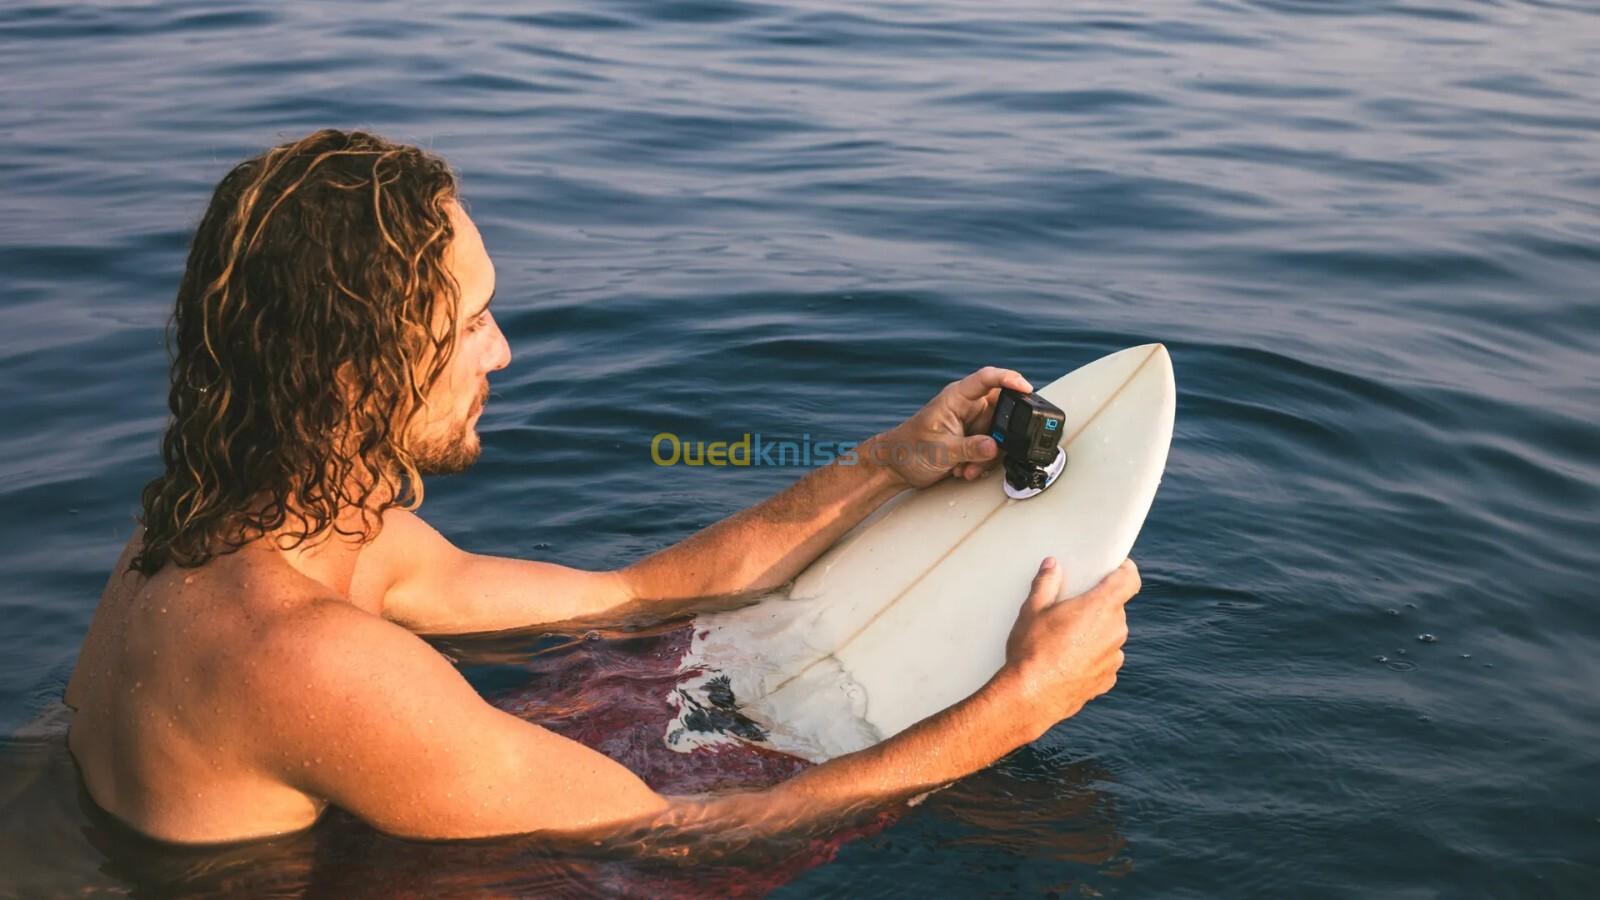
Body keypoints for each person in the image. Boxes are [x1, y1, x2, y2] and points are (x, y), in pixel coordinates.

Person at [64, 129, 1140, 845]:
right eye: (469, 324)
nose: (502, 352)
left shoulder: (222, 535)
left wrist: (883, 465)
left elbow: (633, 594)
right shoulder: (306, 656)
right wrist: (1017, 707)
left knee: (623, 679)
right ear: (357, 370)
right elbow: (676, 838)